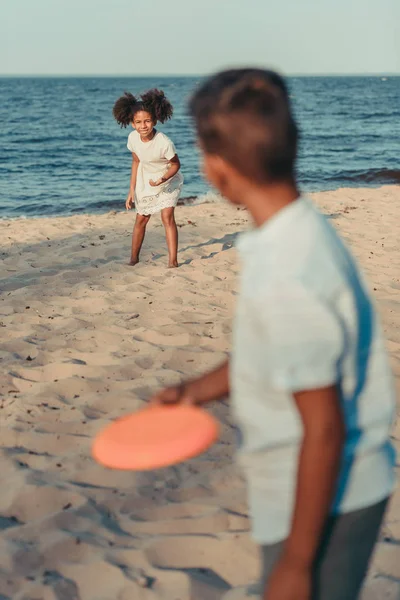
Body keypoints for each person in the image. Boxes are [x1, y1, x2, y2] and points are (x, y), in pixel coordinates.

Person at [151, 69, 396, 599]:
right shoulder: (293, 230)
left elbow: (324, 428)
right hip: (308, 484)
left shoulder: (290, 270)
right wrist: (198, 390)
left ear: (218, 168)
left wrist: (297, 564)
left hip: (325, 493)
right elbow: (270, 350)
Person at [113, 89, 183, 267]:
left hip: (168, 179)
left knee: (167, 216)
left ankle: (173, 261)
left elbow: (176, 164)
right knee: (141, 219)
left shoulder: (164, 142)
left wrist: (162, 178)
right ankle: (134, 259)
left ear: (155, 120)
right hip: (146, 181)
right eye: (138, 122)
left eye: (147, 121)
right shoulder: (133, 138)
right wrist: (131, 190)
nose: (143, 126)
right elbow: (136, 161)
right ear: (131, 123)